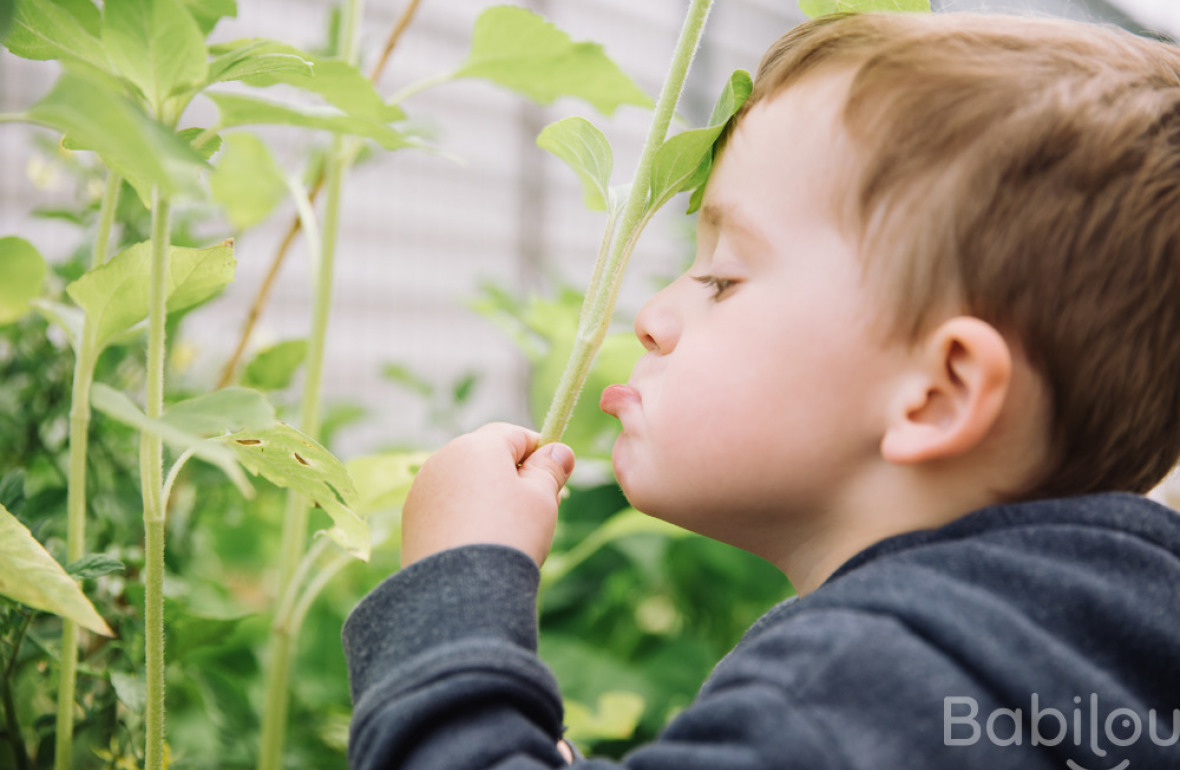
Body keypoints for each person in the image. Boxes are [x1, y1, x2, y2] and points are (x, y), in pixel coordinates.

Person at [342, 11, 1180, 769]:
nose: (654, 316)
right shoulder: (1096, 661)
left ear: (938, 393)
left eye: (722, 277)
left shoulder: (844, 692)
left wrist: (452, 608)